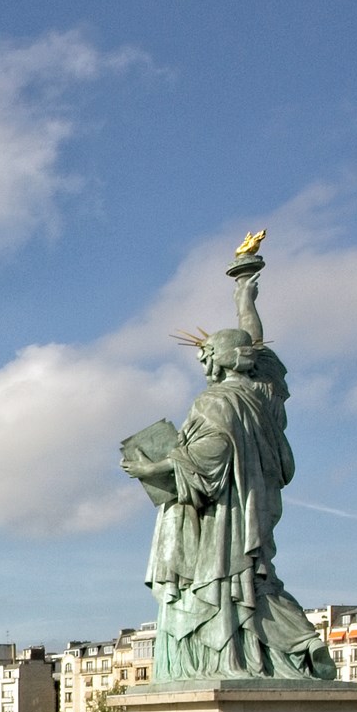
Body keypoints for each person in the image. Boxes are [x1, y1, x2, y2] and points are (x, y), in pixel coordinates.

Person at [120, 261, 337, 682]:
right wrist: (244, 299)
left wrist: (153, 466)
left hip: (219, 517)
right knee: (253, 583)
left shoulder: (214, 402)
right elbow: (256, 346)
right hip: (254, 506)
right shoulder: (265, 395)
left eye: (208, 358)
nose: (204, 367)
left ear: (218, 361)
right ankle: (303, 644)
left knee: (221, 587)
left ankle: (228, 657)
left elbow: (208, 455)